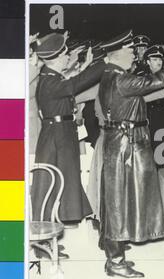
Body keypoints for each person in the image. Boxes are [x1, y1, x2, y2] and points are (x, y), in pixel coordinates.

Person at [98, 30, 164, 278]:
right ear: (117, 54)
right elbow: (159, 80)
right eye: (129, 51)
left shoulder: (111, 76)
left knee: (118, 198)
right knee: (118, 201)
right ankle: (115, 262)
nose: (133, 54)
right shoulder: (120, 79)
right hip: (126, 143)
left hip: (121, 140)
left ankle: (115, 254)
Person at [31, 32, 105, 223]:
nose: (68, 58)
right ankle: (43, 237)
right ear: (55, 59)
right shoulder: (49, 81)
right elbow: (74, 85)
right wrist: (106, 63)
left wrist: (87, 66)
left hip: (61, 133)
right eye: (65, 55)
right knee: (49, 185)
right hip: (57, 136)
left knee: (62, 183)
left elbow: (71, 81)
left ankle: (53, 227)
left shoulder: (51, 76)